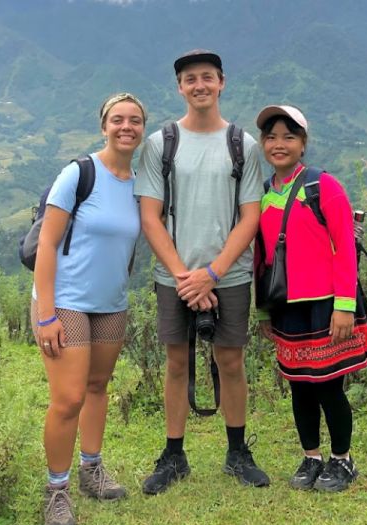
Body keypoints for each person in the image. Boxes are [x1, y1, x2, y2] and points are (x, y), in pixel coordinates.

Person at [134, 49, 268, 494]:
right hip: (174, 275)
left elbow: (250, 217)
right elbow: (150, 216)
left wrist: (211, 273)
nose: (199, 85)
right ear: (180, 87)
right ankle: (174, 455)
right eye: (190, 79)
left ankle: (237, 452)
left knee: (230, 360)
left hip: (228, 274)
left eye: (207, 77)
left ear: (222, 82)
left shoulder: (242, 145)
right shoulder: (161, 143)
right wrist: (185, 276)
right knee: (177, 362)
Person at [31, 92, 145, 525]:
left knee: (98, 387)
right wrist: (45, 313)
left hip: (111, 302)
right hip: (66, 302)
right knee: (69, 398)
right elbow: (46, 242)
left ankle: (91, 469)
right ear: (104, 126)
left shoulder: (137, 182)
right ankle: (56, 490)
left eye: (135, 120)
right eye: (118, 119)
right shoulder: (79, 174)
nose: (126, 127)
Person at [253, 104, 367, 492]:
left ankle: (343, 460)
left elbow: (345, 249)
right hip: (287, 306)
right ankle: (311, 457)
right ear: (262, 144)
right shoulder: (264, 194)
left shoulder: (323, 186)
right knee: (299, 384)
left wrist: (344, 306)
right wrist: (264, 312)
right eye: (271, 136)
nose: (279, 144)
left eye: (289, 136)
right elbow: (262, 258)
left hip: (326, 305)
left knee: (328, 385)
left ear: (303, 144)